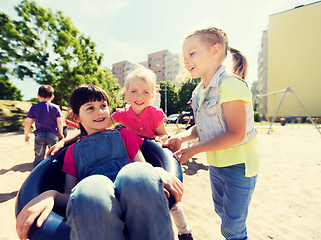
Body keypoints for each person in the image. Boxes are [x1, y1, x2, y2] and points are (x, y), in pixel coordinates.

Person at [16, 84, 183, 240]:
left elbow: (142, 165)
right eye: (90, 108)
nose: (100, 112)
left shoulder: (123, 134)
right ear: (76, 117)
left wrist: (156, 171)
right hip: (99, 203)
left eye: (103, 106)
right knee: (91, 187)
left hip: (133, 194)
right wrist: (51, 194)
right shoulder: (72, 153)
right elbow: (71, 195)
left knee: (137, 174)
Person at [165, 27, 260, 240]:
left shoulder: (231, 84)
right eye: (184, 56)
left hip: (239, 165)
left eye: (192, 53)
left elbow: (235, 133)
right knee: (221, 212)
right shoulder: (199, 91)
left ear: (215, 50)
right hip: (217, 164)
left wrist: (194, 149)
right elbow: (203, 127)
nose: (186, 60)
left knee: (232, 228)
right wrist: (182, 137)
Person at [111, 66, 193, 240]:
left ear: (153, 94)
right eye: (134, 91)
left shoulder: (155, 114)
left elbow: (163, 134)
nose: (139, 96)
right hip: (131, 160)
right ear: (126, 93)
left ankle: (184, 230)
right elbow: (100, 125)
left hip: (153, 159)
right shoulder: (122, 114)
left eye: (145, 92)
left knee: (168, 198)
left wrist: (159, 138)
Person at [24, 85, 64, 167]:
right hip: (53, 135)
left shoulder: (34, 108)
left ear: (38, 96)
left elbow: (28, 122)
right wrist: (61, 133)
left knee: (38, 157)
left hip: (39, 135)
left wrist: (26, 135)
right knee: (54, 155)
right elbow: (60, 122)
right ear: (52, 97)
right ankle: (54, 171)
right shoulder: (55, 107)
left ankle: (37, 174)